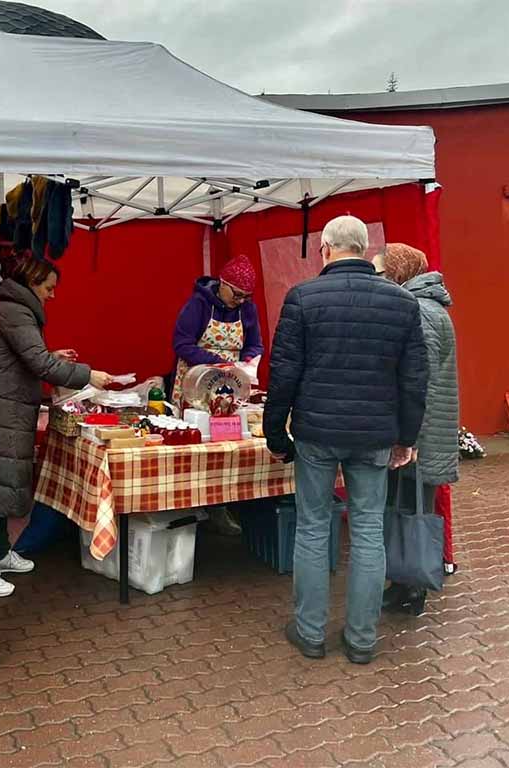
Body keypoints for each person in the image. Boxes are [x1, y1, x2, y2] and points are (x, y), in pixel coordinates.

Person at [264, 215, 429, 665]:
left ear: (326, 249)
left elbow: (283, 376)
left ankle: (310, 632)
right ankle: (361, 640)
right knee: (368, 533)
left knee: (314, 529)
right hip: (374, 434)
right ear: (364, 247)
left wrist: (275, 433)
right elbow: (415, 379)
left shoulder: (302, 298)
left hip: (316, 433)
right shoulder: (402, 303)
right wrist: (407, 437)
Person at [0, 256, 114, 598]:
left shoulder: (14, 311)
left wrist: (51, 354)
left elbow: (28, 357)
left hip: (7, 411)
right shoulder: (15, 313)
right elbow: (38, 363)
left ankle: (1, 553)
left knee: (5, 486)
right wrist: (88, 375)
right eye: (49, 287)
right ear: (32, 282)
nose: (52, 295)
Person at [381, 243, 460, 616]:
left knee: (413, 509)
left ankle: (413, 589)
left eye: (387, 271)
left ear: (401, 273)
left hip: (421, 432)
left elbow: (417, 378)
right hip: (426, 428)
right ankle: (404, 584)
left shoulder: (421, 311)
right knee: (409, 506)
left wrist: (405, 434)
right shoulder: (428, 306)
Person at [171, 253, 264, 405]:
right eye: (237, 295)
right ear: (223, 283)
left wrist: (248, 361)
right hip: (195, 380)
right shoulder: (198, 304)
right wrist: (218, 363)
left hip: (230, 382)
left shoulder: (248, 309)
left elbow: (255, 345)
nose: (240, 301)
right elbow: (182, 344)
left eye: (246, 297)